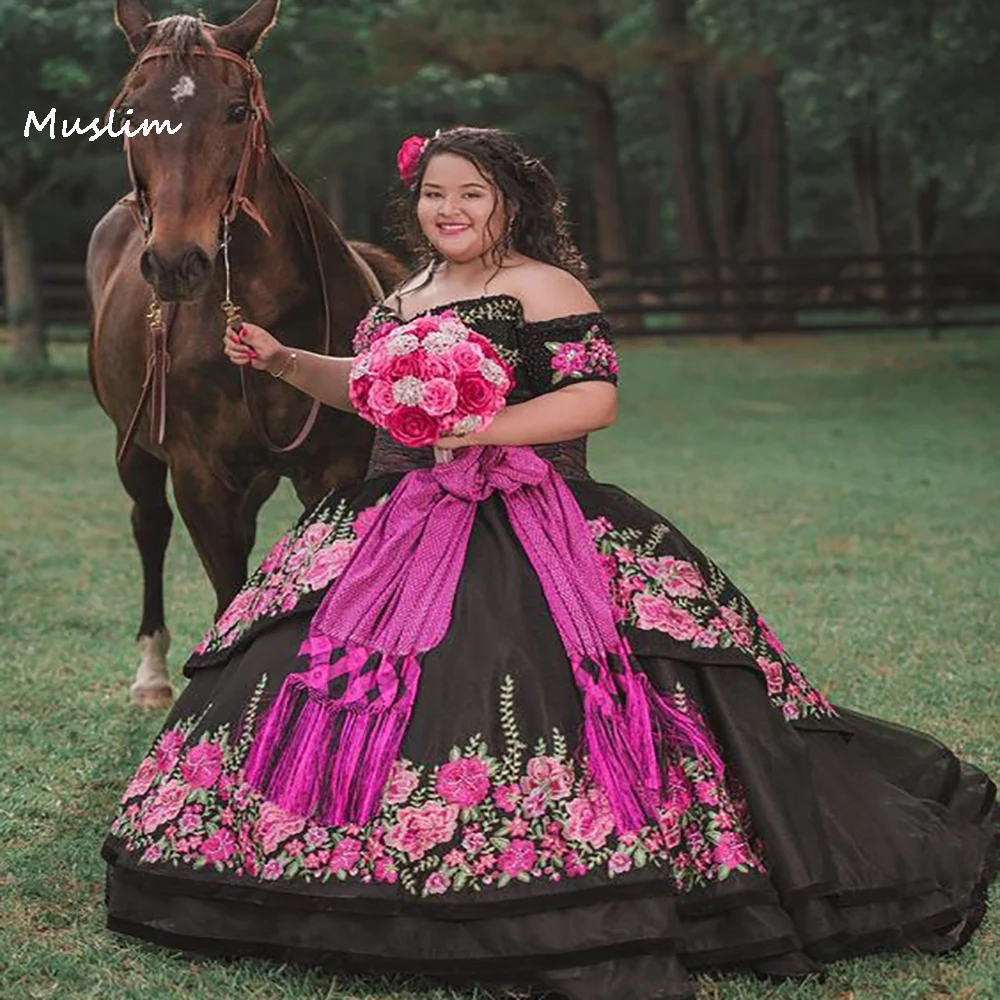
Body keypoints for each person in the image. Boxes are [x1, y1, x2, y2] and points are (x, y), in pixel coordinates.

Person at [102, 126, 997, 1000]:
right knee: (312, 671)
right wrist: (288, 360)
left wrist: (478, 428)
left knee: (513, 678)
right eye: (434, 193)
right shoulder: (405, 292)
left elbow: (594, 399)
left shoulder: (542, 285)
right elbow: (368, 389)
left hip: (529, 514)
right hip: (394, 521)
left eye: (470, 193)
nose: (448, 209)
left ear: (509, 203)